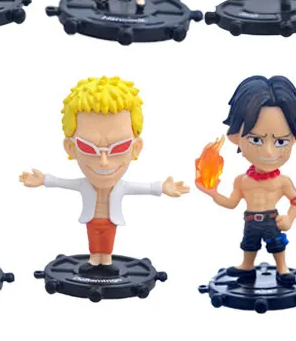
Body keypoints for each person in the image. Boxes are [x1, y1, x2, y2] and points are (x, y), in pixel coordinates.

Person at [19, 76, 188, 267]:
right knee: (93, 241)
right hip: (91, 220)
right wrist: (44, 180)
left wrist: (161, 188)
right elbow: (63, 183)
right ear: (70, 148)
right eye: (88, 147)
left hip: (110, 222)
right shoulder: (84, 184)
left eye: (119, 147)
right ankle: (94, 260)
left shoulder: (120, 186)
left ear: (136, 148)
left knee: (107, 242)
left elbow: (144, 188)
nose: (104, 162)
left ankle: (106, 260)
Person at [195, 75, 296, 285]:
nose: (269, 152)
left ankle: (282, 269)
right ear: (235, 137)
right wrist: (213, 193)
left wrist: (289, 218)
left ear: (293, 140)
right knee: (248, 244)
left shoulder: (282, 181)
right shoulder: (242, 181)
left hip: (272, 220)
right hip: (250, 221)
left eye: (281, 141)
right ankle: (247, 266)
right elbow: (231, 202)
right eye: (256, 139)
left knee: (277, 246)